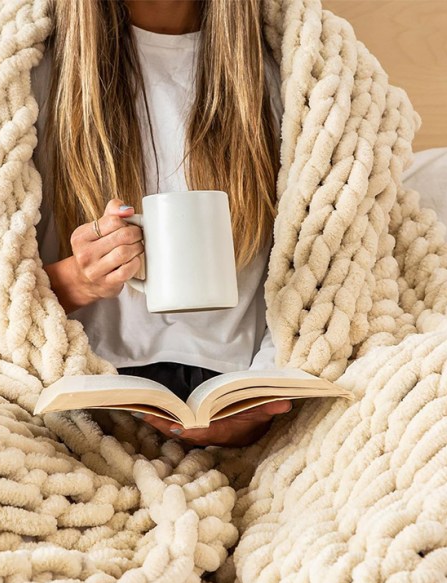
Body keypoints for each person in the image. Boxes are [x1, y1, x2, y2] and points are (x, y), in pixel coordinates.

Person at [34, 0, 292, 448]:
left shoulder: (294, 73)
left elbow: (335, 277)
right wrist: (80, 279)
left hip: (245, 385)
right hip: (80, 387)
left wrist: (261, 403)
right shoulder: (27, 74)